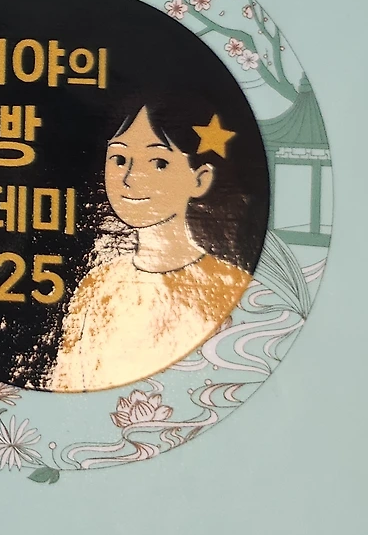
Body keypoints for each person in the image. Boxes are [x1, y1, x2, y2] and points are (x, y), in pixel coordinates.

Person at [48, 101, 252, 393]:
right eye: (119, 159)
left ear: (199, 179)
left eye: (158, 163)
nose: (130, 178)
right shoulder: (96, 285)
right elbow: (66, 384)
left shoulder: (230, 285)